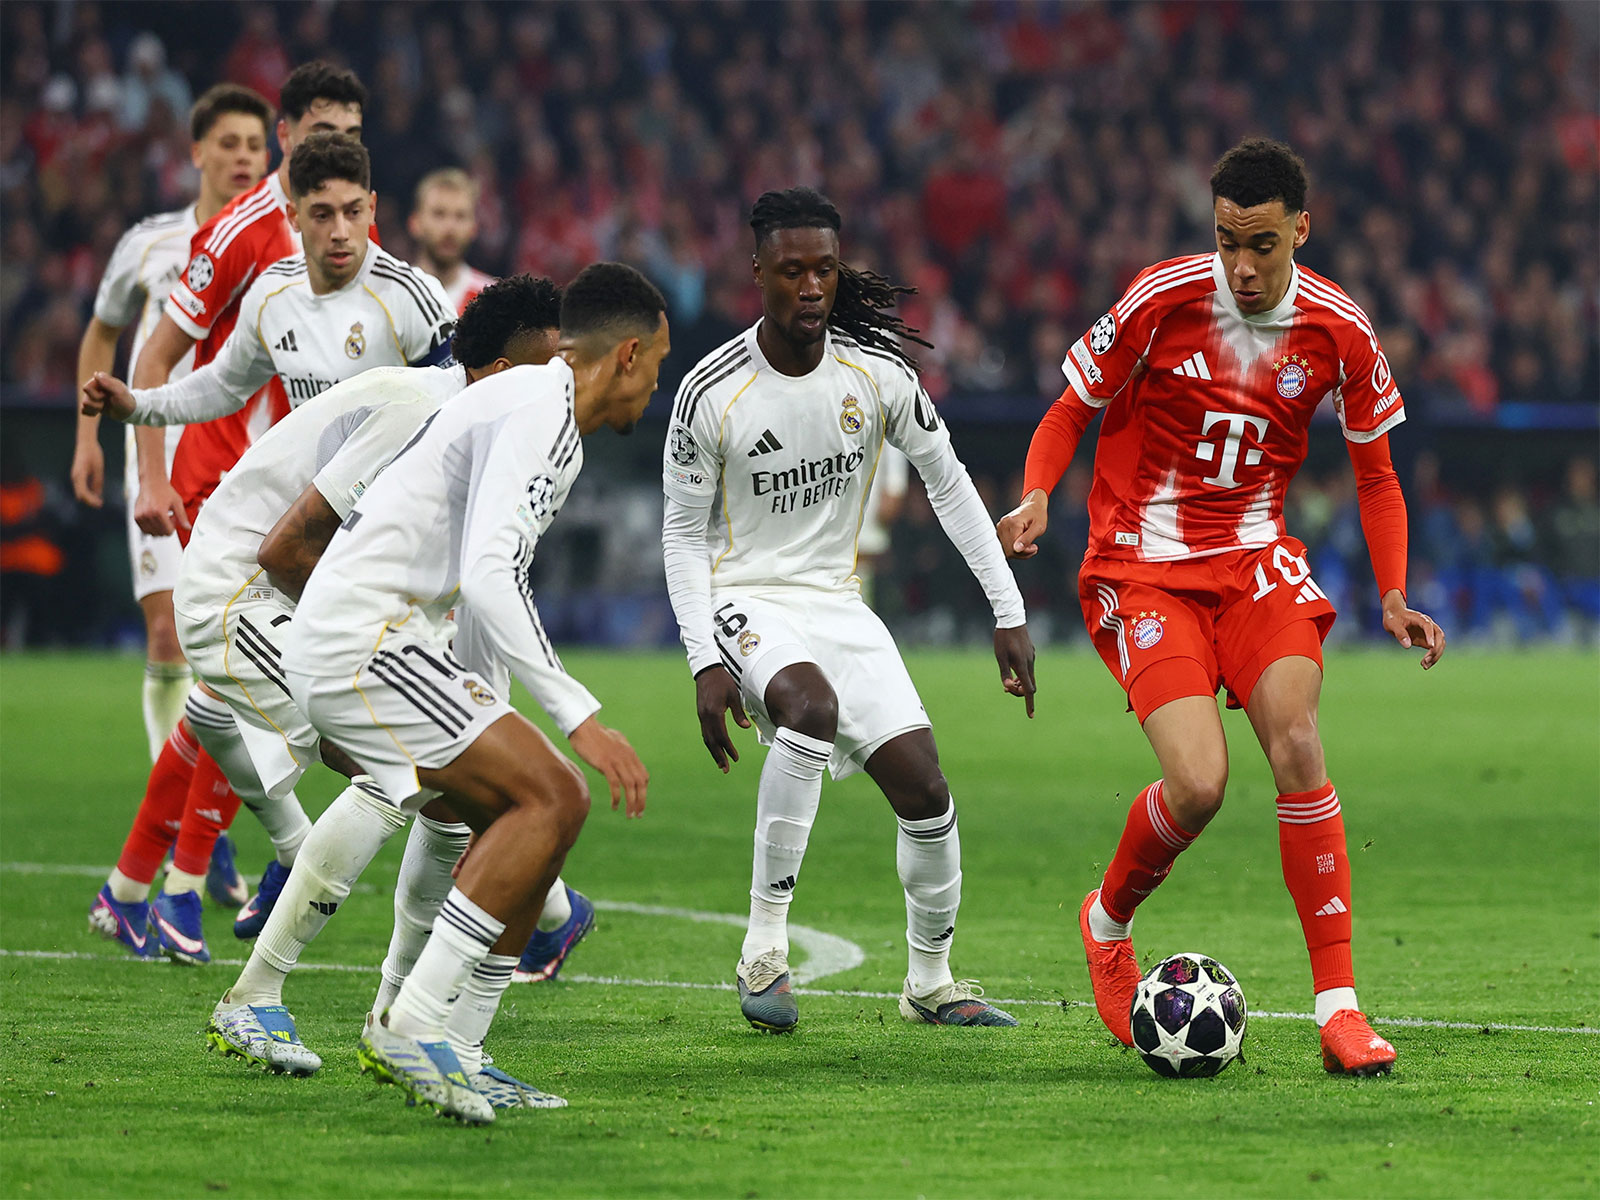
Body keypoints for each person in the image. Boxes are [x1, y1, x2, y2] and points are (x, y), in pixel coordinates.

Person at [996, 139, 1445, 1077]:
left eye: (1264, 246)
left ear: (1301, 232)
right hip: (1143, 568)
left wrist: (1394, 590)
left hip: (1254, 563)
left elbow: (1378, 477)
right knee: (1200, 784)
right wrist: (1039, 490)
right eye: (1228, 241)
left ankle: (1340, 1010)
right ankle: (1107, 917)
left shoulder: (1340, 330)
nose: (1242, 266)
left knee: (1298, 739)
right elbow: (1070, 407)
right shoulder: (1161, 298)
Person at [279, 262, 667, 1124]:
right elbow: (491, 575)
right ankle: (412, 1024)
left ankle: (459, 1045)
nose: (656, 382)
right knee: (556, 792)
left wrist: (493, 709)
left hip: (386, 638)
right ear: (629, 355)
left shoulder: (549, 420)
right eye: (658, 361)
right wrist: (580, 717)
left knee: (532, 812)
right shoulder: (539, 404)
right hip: (362, 639)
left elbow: (486, 578)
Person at [661, 187, 1035, 1033]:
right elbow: (682, 536)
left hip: (836, 602)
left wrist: (1005, 608)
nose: (810, 287)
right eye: (791, 270)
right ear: (756, 272)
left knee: (928, 792)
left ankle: (930, 984)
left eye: (823, 269)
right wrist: (702, 658)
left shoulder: (880, 377)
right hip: (743, 597)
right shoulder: (709, 391)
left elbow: (948, 484)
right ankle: (763, 951)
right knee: (811, 710)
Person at [82, 133, 454, 965]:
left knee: (410, 754)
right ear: (292, 217)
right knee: (217, 700)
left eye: (352, 212)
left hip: (392, 549)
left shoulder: (416, 301)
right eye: (319, 214)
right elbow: (222, 384)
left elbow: (460, 415)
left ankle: (513, 913)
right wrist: (138, 404)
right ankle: (294, 853)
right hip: (308, 538)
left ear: (373, 211)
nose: (338, 231)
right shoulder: (273, 296)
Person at [70, 83, 271, 768]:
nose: (243, 157)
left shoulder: (276, 244)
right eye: (228, 144)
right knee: (166, 636)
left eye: (254, 145)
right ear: (196, 152)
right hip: (154, 450)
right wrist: (86, 436)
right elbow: (101, 336)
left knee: (236, 645)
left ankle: (215, 801)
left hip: (248, 457)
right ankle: (183, 814)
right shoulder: (150, 244)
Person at [409, 167, 495, 315]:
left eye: (460, 216)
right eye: (439, 214)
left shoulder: (492, 300)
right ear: (415, 222)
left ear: (474, 227)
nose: (450, 228)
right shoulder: (394, 294)